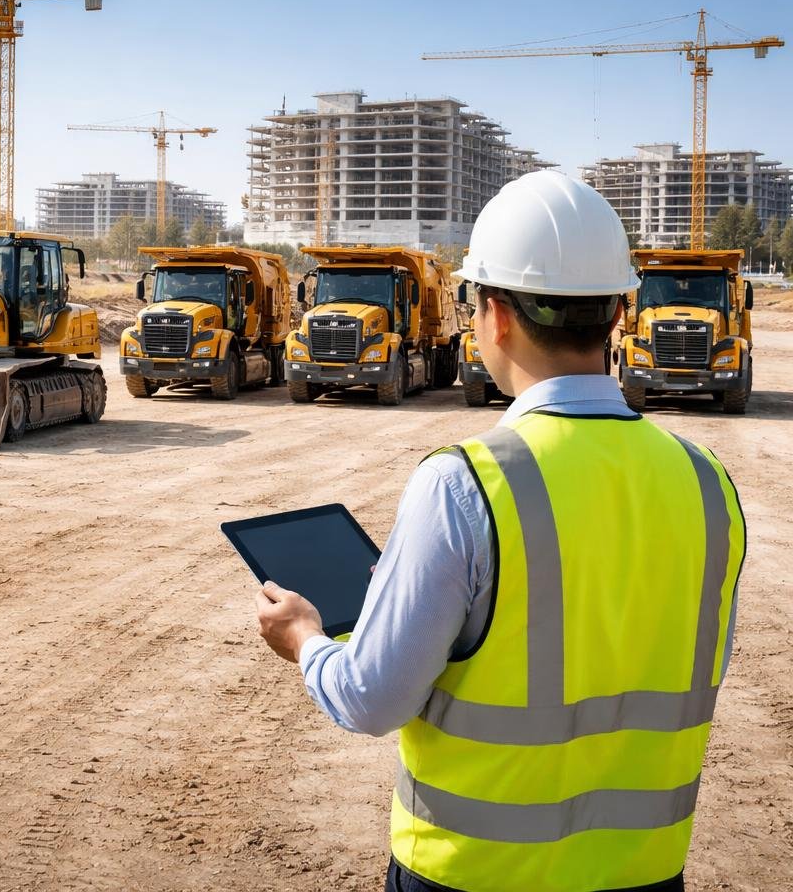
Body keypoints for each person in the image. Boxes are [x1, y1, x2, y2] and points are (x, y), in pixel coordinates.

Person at [254, 171, 745, 892]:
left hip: (473, 873)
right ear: (616, 314)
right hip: (645, 873)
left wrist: (303, 636)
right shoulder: (708, 482)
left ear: (495, 315)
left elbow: (371, 699)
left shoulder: (465, 484)